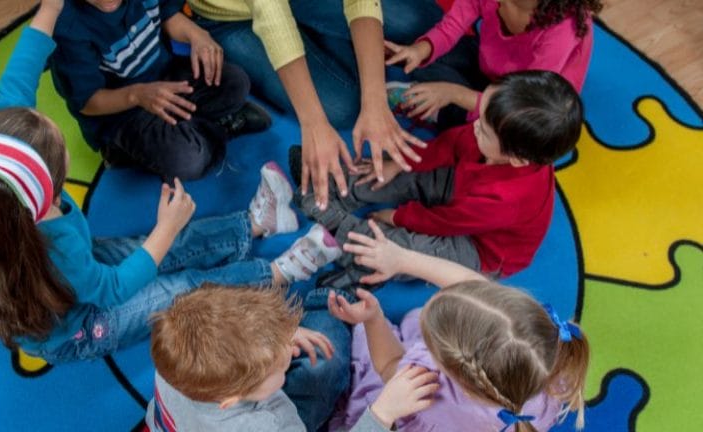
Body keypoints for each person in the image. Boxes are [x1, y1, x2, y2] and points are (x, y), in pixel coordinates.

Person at [0, 0, 344, 363]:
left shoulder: (5, 159)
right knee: (181, 288)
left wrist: (49, 9)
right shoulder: (53, 247)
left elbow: (21, 69)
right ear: (45, 198)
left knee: (166, 246)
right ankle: (274, 274)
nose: (49, 123)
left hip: (78, 269)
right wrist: (165, 229)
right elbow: (110, 290)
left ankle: (255, 224)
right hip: (88, 323)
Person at [294, 70, 582, 288]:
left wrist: (398, 217)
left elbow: (446, 222)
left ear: (518, 158)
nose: (475, 125)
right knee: (403, 174)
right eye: (480, 115)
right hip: (464, 188)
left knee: (408, 249)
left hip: (478, 248)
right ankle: (330, 187)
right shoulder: (494, 135)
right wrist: (400, 163)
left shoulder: (507, 200)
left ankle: (357, 260)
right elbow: (449, 145)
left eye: (484, 129)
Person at [327, 221, 590, 431]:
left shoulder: (430, 392)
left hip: (410, 408)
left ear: (457, 372)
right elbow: (471, 285)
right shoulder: (541, 362)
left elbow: (388, 365)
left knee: (363, 350)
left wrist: (373, 320)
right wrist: (402, 259)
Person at [187, 0, 443, 211]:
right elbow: (273, 17)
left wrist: (375, 98)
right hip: (233, 15)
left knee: (418, 22)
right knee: (341, 108)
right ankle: (334, 44)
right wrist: (314, 124)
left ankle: (332, 44)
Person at [145, 285, 440, 432]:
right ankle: (328, 297)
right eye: (277, 366)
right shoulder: (270, 424)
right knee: (327, 363)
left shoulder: (176, 360)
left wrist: (276, 337)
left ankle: (322, 303)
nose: (288, 352)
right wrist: (382, 414)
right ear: (231, 399)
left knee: (319, 347)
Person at [49, 0, 272, 180]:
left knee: (235, 82)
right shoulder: (66, 25)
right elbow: (88, 102)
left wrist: (197, 35)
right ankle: (123, 152)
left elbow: (166, 13)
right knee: (190, 161)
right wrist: (137, 94)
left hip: (165, 73)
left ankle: (186, 131)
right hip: (122, 113)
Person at [386, 0, 602, 130]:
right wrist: (420, 50)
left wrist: (453, 94)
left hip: (529, 105)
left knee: (489, 137)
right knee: (430, 58)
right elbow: (451, 26)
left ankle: (440, 110)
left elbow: (523, 105)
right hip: (491, 71)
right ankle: (439, 98)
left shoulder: (563, 27)